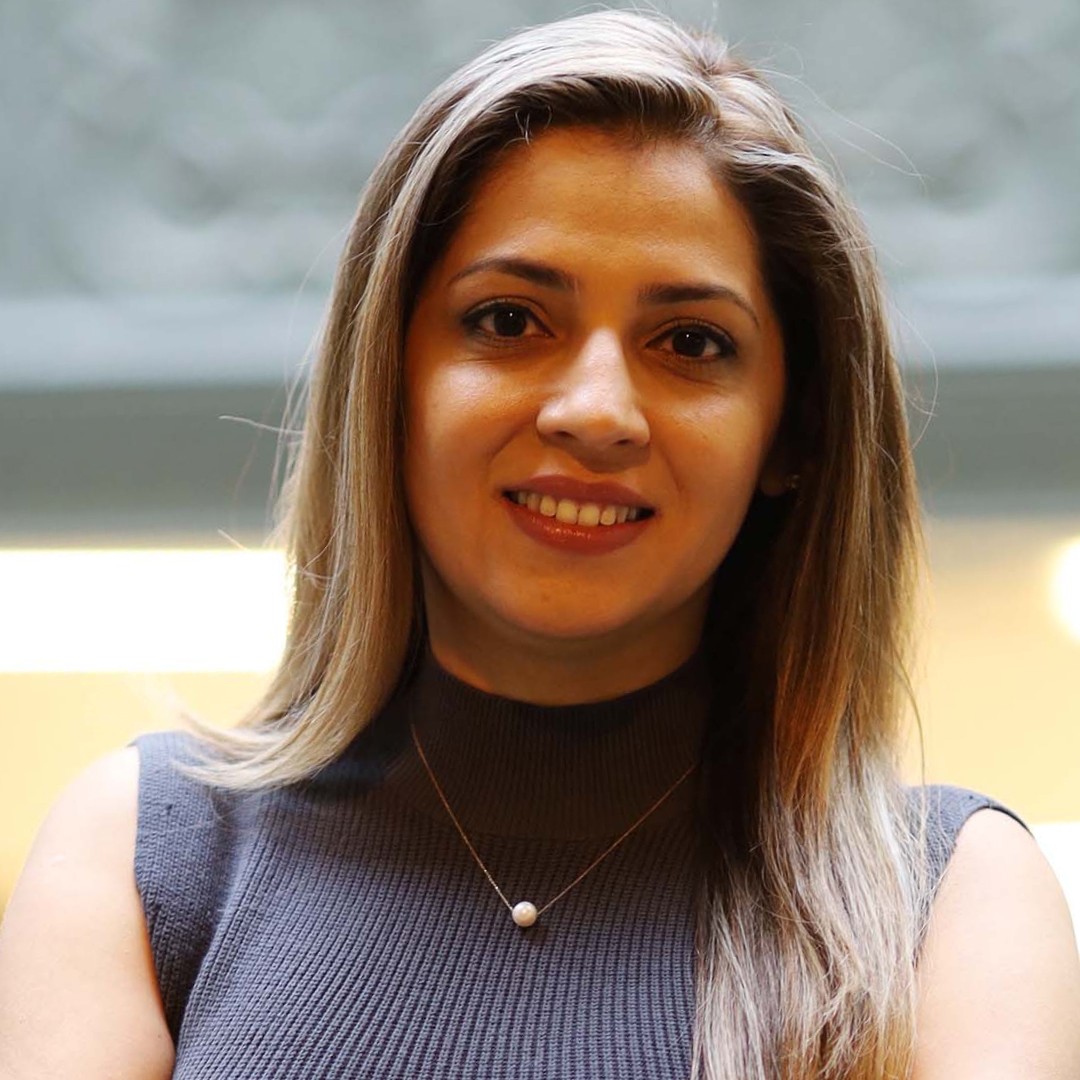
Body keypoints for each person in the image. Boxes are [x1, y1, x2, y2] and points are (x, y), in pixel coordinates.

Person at [1, 9, 1078, 1079]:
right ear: (393, 382)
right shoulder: (149, 859)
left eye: (690, 342)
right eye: (510, 321)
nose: (596, 410)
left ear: (789, 435)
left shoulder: (951, 907)